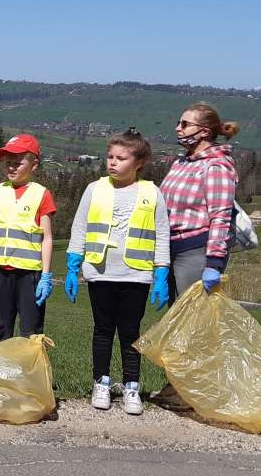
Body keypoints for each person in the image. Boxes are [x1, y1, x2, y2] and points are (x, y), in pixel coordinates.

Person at [65, 128, 171, 415]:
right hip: (100, 272)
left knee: (130, 333)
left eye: (121, 158)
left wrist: (161, 271)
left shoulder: (152, 193)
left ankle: (131, 386)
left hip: (136, 275)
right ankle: (101, 383)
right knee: (102, 331)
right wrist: (73, 265)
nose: (112, 162)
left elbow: (162, 234)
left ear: (139, 163)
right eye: (110, 156)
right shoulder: (95, 189)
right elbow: (80, 227)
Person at [154, 102, 239, 410]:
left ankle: (192, 392)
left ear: (203, 132)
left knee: (194, 322)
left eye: (184, 124)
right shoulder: (182, 162)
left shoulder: (216, 166)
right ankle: (177, 385)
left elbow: (220, 216)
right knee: (178, 320)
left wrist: (213, 263)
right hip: (173, 247)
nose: (178, 128)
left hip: (197, 249)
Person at [0, 134, 56, 343]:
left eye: (18, 163)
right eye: (8, 163)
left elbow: (47, 238)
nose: (11, 167)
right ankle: (0, 365)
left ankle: (30, 365)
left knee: (31, 333)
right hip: (0, 272)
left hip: (29, 274)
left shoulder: (41, 194)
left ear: (34, 165)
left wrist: (46, 275)